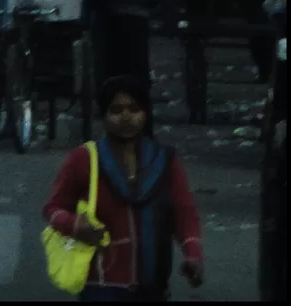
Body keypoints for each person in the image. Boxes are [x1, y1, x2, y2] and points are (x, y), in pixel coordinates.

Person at [43, 75, 204, 300]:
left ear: (145, 114)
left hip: (152, 288)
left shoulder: (164, 160)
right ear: (104, 116)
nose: (126, 116)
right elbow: (53, 208)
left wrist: (193, 255)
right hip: (101, 287)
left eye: (134, 109)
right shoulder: (84, 159)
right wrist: (74, 225)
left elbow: (184, 213)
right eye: (116, 110)